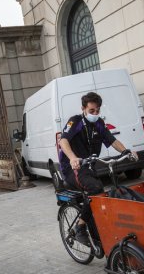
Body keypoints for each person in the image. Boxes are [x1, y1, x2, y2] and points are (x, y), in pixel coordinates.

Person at [58, 92, 138, 245]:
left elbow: (112, 140)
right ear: (83, 108)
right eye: (91, 111)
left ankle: (99, 230)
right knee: (96, 189)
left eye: (98, 110)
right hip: (73, 168)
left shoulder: (99, 123)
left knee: (103, 196)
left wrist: (126, 152)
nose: (95, 114)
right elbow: (63, 141)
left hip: (89, 167)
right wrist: (73, 158)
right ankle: (80, 227)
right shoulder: (75, 121)